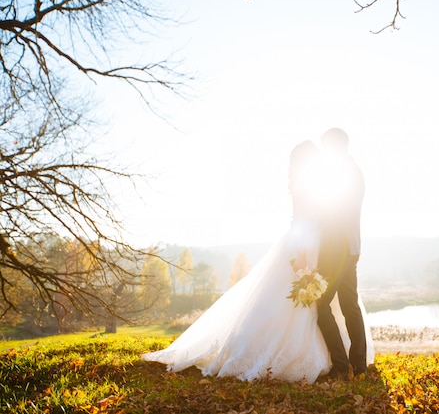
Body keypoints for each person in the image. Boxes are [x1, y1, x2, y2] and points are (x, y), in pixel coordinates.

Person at [141, 140, 373, 383]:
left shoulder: (320, 182)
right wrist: (303, 258)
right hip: (309, 246)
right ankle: (338, 361)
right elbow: (300, 222)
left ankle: (342, 361)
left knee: (320, 303)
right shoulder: (305, 186)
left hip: (323, 247)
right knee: (311, 302)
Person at [315, 128, 368, 379]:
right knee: (349, 305)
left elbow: (333, 212)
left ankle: (340, 364)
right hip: (350, 247)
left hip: (338, 249)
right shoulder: (352, 171)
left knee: (321, 303)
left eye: (326, 146)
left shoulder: (343, 173)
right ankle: (358, 366)